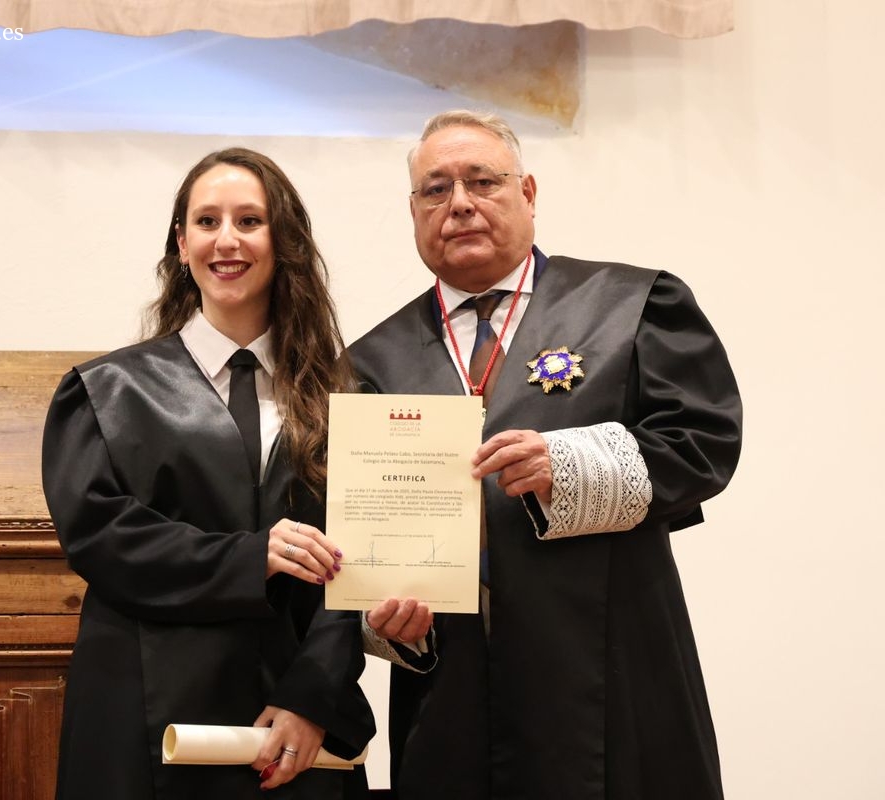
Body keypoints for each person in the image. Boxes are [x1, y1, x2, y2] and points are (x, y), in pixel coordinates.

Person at [354, 110, 742, 799]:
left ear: (528, 193)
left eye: (482, 181)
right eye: (435, 190)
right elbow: (357, 542)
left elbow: (704, 444)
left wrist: (571, 467)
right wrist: (386, 628)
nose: (461, 204)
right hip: (454, 696)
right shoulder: (368, 364)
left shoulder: (631, 305)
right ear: (413, 211)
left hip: (609, 668)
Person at [42, 147, 374, 799]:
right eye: (207, 221)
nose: (228, 239)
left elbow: (363, 562)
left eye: (250, 220)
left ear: (284, 240)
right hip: (143, 710)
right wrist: (251, 558)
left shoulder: (348, 397)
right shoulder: (107, 392)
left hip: (294, 717)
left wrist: (312, 696)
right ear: (181, 242)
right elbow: (101, 538)